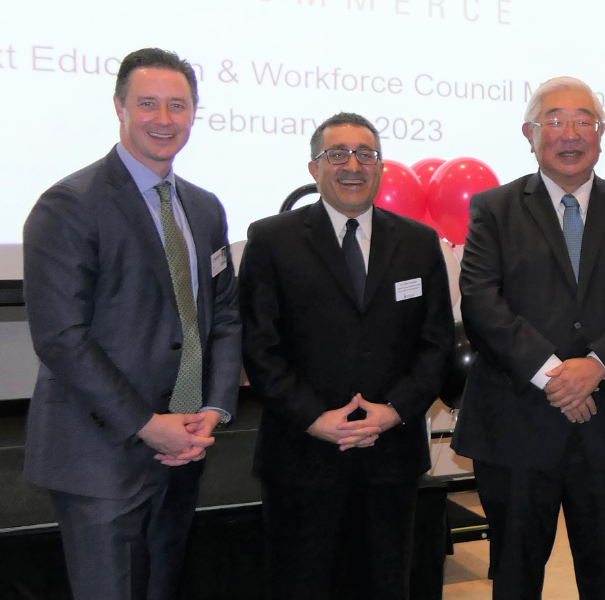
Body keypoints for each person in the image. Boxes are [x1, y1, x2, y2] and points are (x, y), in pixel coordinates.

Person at [21, 47, 241, 600]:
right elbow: (60, 337)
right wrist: (147, 422)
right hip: (100, 458)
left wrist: (211, 408)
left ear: (195, 113)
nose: (163, 120)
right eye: (147, 104)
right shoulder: (70, 204)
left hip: (184, 449)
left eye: (178, 105)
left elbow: (224, 313)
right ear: (119, 107)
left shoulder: (206, 206)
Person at [451, 76, 605, 600]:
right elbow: (481, 302)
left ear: (601, 134)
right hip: (515, 426)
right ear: (529, 134)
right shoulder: (493, 208)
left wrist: (595, 366)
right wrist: (556, 375)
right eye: (554, 120)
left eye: (584, 121)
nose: (569, 133)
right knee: (514, 575)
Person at [239, 112, 454, 600]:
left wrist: (395, 410)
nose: (353, 165)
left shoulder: (418, 244)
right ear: (314, 168)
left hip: (390, 456)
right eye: (337, 154)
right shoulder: (272, 240)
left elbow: (436, 343)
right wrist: (315, 417)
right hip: (303, 455)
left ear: (380, 167)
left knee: (385, 585)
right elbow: (259, 346)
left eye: (366, 154)